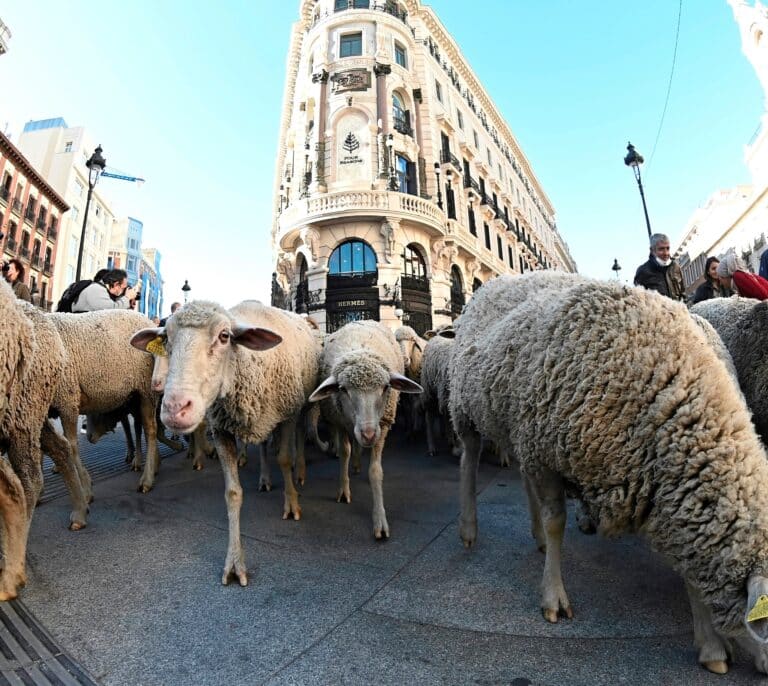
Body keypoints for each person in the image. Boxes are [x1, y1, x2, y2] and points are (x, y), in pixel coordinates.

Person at [633, 233, 685, 301]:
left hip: (678, 311)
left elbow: (683, 294)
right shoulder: (643, 271)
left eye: (668, 248)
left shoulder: (675, 267)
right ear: (652, 250)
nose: (666, 253)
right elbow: (639, 300)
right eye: (661, 249)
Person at [72, 268, 138, 312]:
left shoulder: (101, 290)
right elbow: (111, 311)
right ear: (116, 285)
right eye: (123, 288)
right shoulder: (97, 290)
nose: (123, 291)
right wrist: (127, 297)